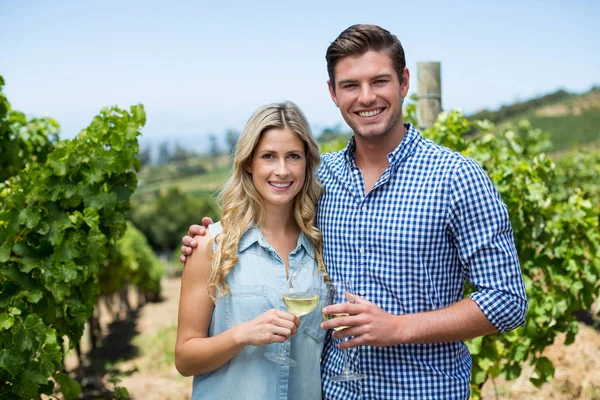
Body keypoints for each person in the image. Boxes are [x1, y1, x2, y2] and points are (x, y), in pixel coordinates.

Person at [180, 24, 527, 400]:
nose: (366, 97)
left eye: (379, 81)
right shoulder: (319, 179)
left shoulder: (457, 178)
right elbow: (265, 215)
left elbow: (507, 301)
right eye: (350, 85)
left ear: (404, 82)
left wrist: (399, 328)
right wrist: (207, 240)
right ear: (333, 92)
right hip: (332, 392)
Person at [175, 101, 329, 400]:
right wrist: (242, 335)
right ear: (249, 163)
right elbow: (184, 358)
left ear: (307, 162)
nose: (282, 170)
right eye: (268, 156)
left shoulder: (323, 245)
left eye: (293, 156)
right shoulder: (211, 245)